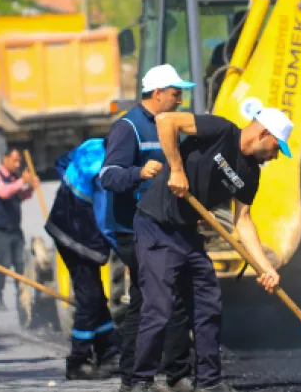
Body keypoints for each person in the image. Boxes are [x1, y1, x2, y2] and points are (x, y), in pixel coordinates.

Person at [128, 100, 293, 392]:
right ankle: (139, 381)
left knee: (209, 304)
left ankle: (209, 383)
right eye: (276, 148)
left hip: (187, 234)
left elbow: (243, 221)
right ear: (263, 134)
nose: (275, 157)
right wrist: (176, 169)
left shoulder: (251, 173)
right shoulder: (221, 130)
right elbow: (166, 120)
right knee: (159, 307)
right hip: (157, 225)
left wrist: (265, 268)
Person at [99, 64, 197, 392]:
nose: (180, 100)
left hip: (166, 224)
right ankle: (141, 378)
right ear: (157, 94)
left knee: (164, 297)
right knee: (157, 298)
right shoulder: (129, 127)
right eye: (175, 93)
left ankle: (167, 375)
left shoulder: (171, 125)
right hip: (134, 229)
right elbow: (108, 176)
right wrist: (138, 173)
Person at [46, 137, 120, 380]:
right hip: (80, 236)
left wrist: (71, 193)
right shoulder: (105, 171)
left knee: (95, 294)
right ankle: (78, 361)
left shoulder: (91, 145)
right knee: (89, 297)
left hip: (60, 223)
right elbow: (104, 217)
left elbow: (61, 163)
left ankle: (108, 352)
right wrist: (122, 250)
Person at [0, 147, 37, 313]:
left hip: (15, 230)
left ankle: (22, 301)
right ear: (5, 159)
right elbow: (4, 193)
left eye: (19, 161)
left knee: (21, 265)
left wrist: (31, 188)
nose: (17, 164)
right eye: (14, 161)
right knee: (5, 263)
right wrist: (22, 181)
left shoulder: (14, 178)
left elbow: (18, 197)